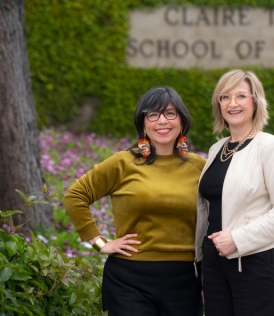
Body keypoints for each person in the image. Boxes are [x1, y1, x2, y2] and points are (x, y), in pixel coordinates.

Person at [63, 87, 205, 316]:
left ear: (182, 120)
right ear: (143, 122)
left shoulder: (199, 167)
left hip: (187, 282)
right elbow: (74, 196)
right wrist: (99, 242)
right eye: (153, 114)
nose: (162, 121)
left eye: (170, 113)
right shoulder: (123, 163)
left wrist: (213, 278)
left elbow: (218, 218)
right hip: (128, 282)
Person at [194, 70, 274, 315]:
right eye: (225, 97)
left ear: (256, 101)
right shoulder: (216, 148)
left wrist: (237, 240)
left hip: (254, 262)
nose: (232, 103)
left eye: (241, 96)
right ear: (218, 104)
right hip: (215, 266)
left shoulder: (271, 146)